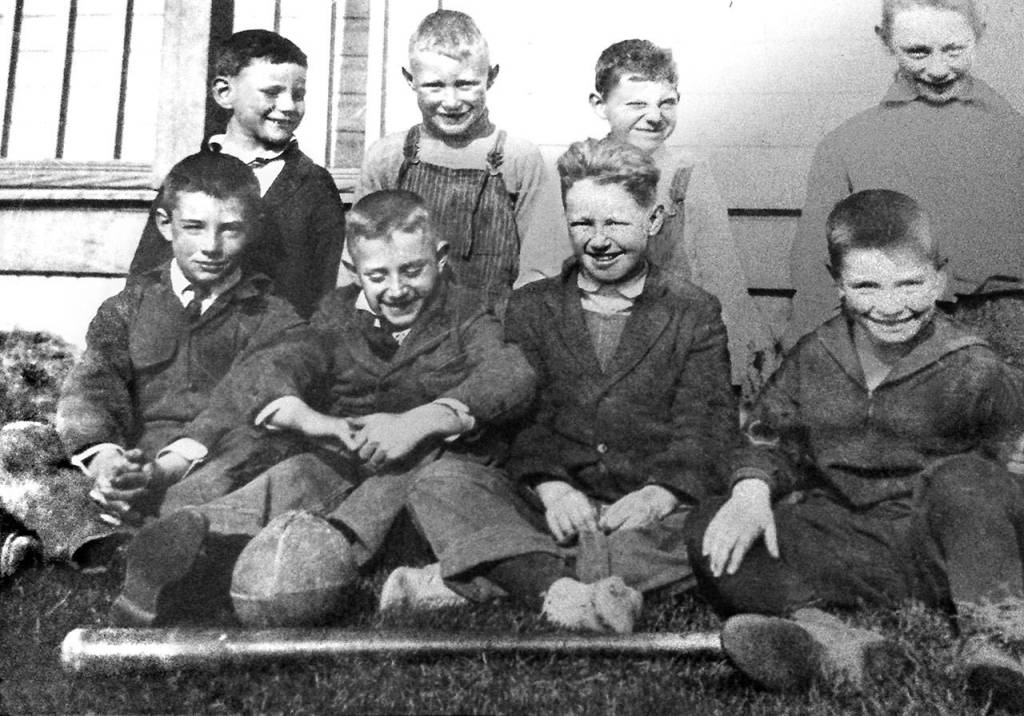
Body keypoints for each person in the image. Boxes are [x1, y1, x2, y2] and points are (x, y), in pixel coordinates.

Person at [111, 189, 537, 627]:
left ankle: (312, 555)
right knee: (297, 475)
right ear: (353, 271)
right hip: (346, 458)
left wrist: (421, 421)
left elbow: (510, 374)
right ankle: (198, 535)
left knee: (400, 476)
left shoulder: (466, 311)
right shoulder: (335, 313)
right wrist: (322, 424)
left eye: (412, 270)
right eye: (378, 276)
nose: (396, 289)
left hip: (426, 471)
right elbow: (283, 363)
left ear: (440, 257)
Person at [687, 189, 1024, 710]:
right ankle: (833, 644)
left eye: (911, 283)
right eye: (866, 285)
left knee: (969, 480)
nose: (890, 306)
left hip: (934, 549)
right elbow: (768, 435)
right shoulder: (816, 354)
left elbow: (1011, 459)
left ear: (940, 277)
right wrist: (752, 489)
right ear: (836, 282)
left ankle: (996, 643)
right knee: (713, 521)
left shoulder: (973, 365)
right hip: (841, 543)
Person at [384, 138, 737, 634]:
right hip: (547, 506)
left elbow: (706, 422)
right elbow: (525, 417)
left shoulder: (693, 309)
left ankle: (492, 576)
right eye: (582, 223)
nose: (598, 240)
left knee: (726, 525)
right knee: (441, 482)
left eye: (615, 223)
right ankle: (566, 590)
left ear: (653, 220)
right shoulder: (533, 306)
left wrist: (660, 493)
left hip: (647, 514)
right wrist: (550, 487)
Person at [44, 152, 308, 564]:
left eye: (231, 230)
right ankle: (101, 538)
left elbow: (240, 405)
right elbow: (94, 388)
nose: (212, 246)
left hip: (209, 465)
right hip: (126, 464)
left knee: (267, 442)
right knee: (19, 443)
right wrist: (107, 459)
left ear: (253, 229)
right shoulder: (126, 307)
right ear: (166, 225)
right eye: (195, 227)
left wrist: (164, 469)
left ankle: (152, 535)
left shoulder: (274, 317)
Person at [788, 0, 1024, 360]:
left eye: (954, 49)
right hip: (893, 327)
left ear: (979, 35)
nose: (938, 69)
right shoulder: (847, 143)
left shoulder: (1014, 134)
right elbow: (815, 267)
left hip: (1009, 331)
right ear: (885, 39)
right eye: (917, 52)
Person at [590, 39, 776, 396]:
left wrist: (743, 355)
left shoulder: (688, 177)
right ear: (600, 106)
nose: (655, 116)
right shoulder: (579, 175)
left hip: (675, 354)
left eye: (667, 103)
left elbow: (723, 276)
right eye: (636, 104)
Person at [354, 9, 570, 314]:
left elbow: (539, 268)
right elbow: (358, 261)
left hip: (492, 331)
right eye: (434, 86)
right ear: (410, 79)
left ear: (491, 77)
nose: (452, 101)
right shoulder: (387, 157)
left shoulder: (519, 159)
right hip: (401, 327)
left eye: (466, 84)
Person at [129, 29, 346, 318]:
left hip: (278, 351)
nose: (288, 106)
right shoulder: (187, 176)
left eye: (299, 95)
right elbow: (145, 277)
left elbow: (326, 293)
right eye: (272, 92)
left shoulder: (313, 185)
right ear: (224, 93)